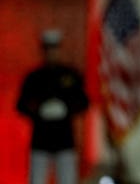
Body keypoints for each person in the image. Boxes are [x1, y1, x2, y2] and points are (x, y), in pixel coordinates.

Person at [17, 29, 89, 184]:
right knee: (37, 180)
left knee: (67, 180)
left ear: (59, 50)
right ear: (43, 51)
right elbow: (21, 105)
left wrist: (66, 108)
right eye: (48, 49)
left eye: (54, 49)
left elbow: (83, 102)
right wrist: (38, 110)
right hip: (40, 141)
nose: (51, 53)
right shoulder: (34, 78)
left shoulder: (70, 75)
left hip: (64, 140)